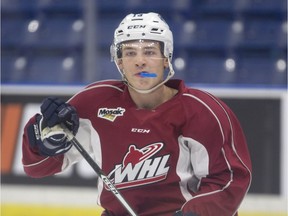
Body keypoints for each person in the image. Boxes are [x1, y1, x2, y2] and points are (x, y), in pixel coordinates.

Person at [22, 12, 252, 216]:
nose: (140, 61)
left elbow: (229, 180)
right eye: (130, 53)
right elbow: (36, 168)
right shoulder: (95, 101)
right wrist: (48, 142)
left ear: (166, 59)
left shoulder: (202, 111)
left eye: (150, 52)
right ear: (120, 62)